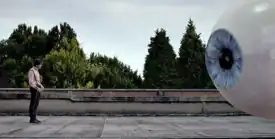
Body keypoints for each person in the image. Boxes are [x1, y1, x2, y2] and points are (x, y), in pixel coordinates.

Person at [28, 59, 44, 124]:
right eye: (40, 64)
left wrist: (41, 86)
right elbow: (31, 82)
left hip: (37, 88)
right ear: (37, 65)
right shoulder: (31, 71)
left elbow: (37, 81)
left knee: (36, 103)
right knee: (33, 103)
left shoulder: (36, 71)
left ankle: (34, 117)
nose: (41, 66)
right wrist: (37, 88)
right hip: (34, 89)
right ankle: (32, 118)